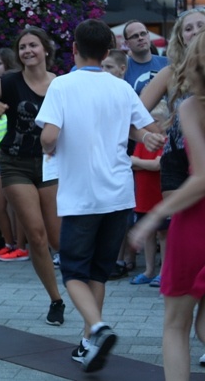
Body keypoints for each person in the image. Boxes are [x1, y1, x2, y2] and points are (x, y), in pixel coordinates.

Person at [36, 19, 163, 372]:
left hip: (81, 195)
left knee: (74, 272)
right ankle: (88, 343)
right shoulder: (120, 87)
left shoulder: (62, 85)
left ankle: (98, 327)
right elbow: (145, 128)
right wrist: (145, 137)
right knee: (98, 273)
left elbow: (49, 137)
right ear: (108, 52)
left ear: (74, 49)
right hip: (119, 194)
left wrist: (50, 146)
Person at [129, 29, 205, 381]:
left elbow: (203, 176)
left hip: (195, 224)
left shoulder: (192, 106)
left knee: (176, 324)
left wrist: (154, 216)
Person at [0, 27, 66, 325]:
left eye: (33, 45)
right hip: (15, 163)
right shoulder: (7, 82)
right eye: (22, 47)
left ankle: (78, 287)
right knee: (36, 233)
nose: (27, 51)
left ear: (46, 49)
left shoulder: (60, 84)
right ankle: (56, 300)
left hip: (50, 164)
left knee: (58, 238)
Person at [139, 8, 205, 287]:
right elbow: (136, 111)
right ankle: (179, 284)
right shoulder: (170, 73)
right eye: (188, 28)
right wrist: (146, 135)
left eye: (200, 25)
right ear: (179, 37)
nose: (194, 31)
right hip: (177, 159)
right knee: (184, 227)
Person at [0, 48, 26, 259]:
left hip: (16, 154)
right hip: (1, 153)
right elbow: (1, 132)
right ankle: (9, 243)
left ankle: (21, 247)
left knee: (16, 205)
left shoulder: (13, 89)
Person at [129, 101, 169, 287]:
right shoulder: (143, 141)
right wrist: (142, 163)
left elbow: (157, 165)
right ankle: (149, 269)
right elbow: (132, 163)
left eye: (156, 121)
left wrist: (138, 161)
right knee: (148, 234)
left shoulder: (165, 141)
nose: (151, 125)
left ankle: (163, 271)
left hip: (159, 195)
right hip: (143, 195)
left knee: (163, 234)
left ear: (166, 122)